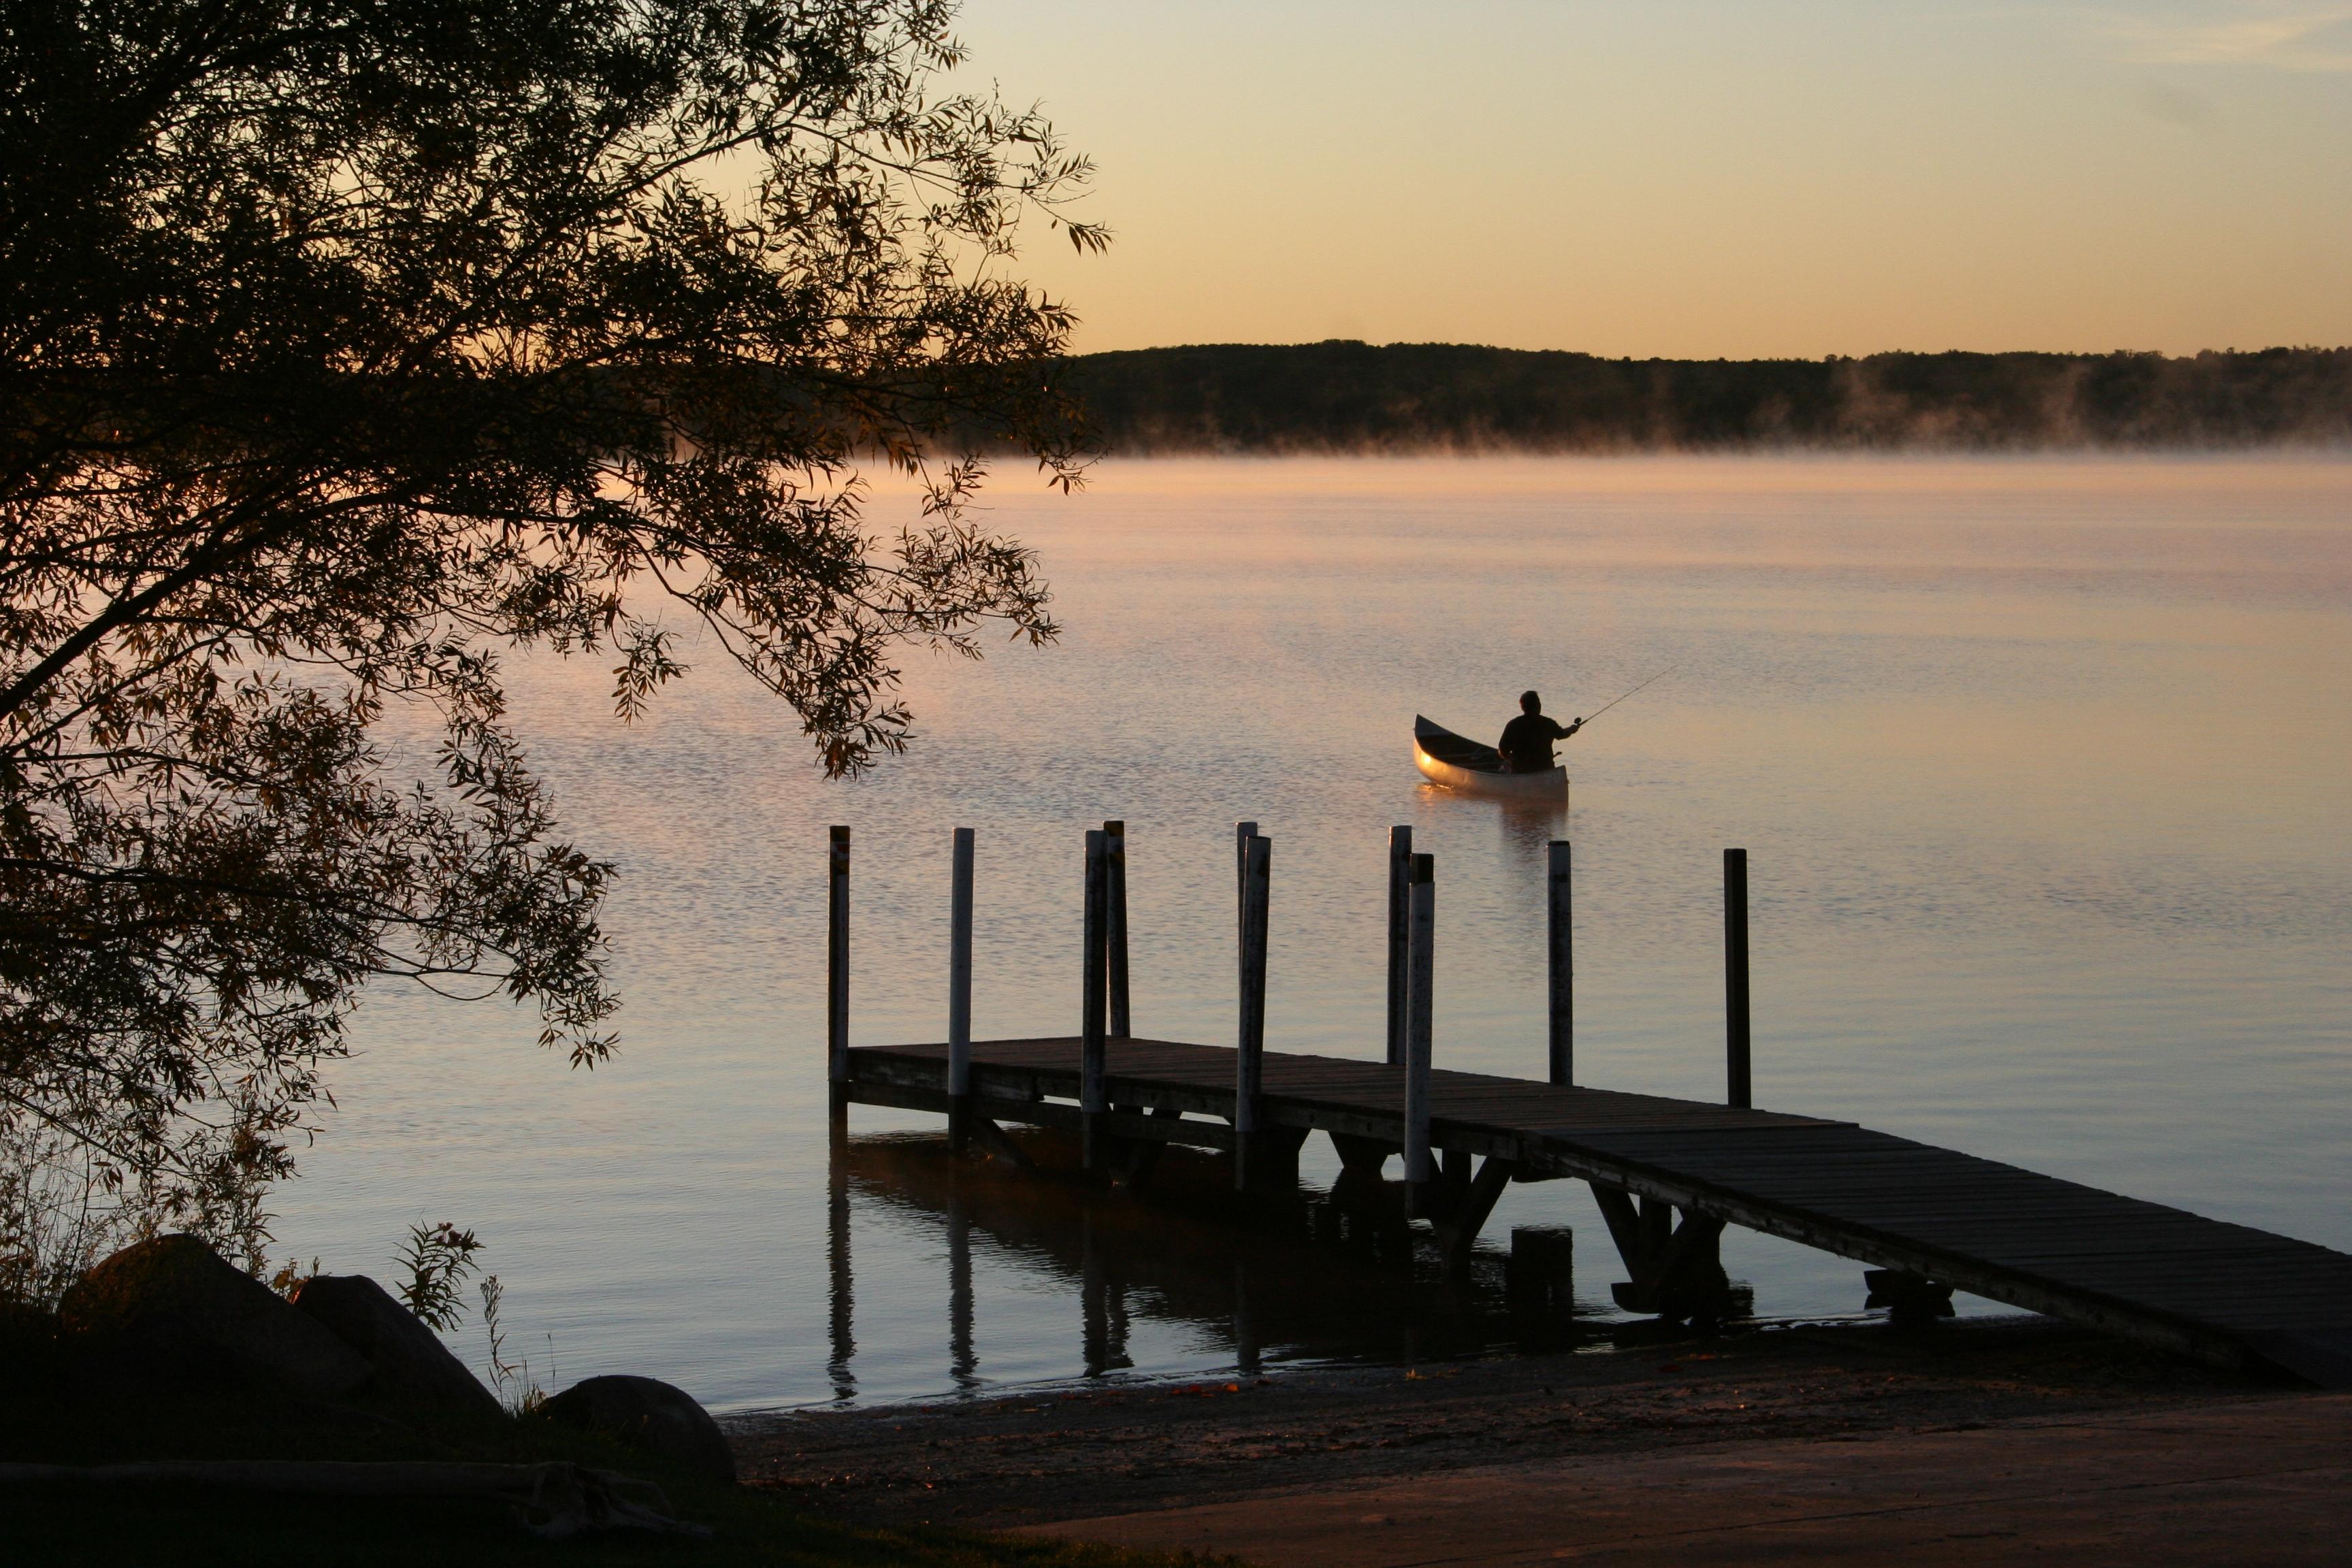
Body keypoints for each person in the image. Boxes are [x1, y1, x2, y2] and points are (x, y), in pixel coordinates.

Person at [1497, 690, 1582, 773]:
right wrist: (1571, 729)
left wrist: (1510, 760)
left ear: (1522, 707)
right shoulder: (1549, 723)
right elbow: (1562, 734)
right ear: (1539, 705)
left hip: (1521, 770)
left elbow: (1503, 751)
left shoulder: (1513, 725)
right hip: (1545, 769)